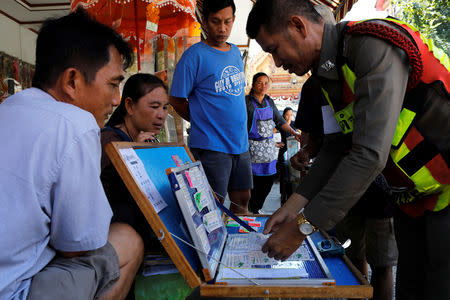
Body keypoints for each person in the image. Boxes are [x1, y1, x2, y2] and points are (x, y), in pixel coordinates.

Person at [246, 1, 449, 299]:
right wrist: (290, 210)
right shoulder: (330, 72)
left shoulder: (372, 45)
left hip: (445, 193)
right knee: (412, 288)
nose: (276, 63)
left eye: (275, 49)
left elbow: (368, 155)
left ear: (298, 26)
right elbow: (336, 147)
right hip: (412, 199)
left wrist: (302, 228)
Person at [0, 10, 144, 300]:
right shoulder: (76, 124)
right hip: (14, 290)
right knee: (129, 240)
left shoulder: (8, 108)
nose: (115, 100)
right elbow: (77, 243)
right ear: (72, 81)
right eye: (113, 84)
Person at [170, 0, 252, 214]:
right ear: (204, 22)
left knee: (242, 202)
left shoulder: (235, 52)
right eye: (215, 22)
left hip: (240, 144)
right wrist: (202, 121)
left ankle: (239, 245)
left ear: (234, 20)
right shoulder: (193, 56)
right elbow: (176, 99)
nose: (222, 28)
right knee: (211, 209)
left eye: (227, 21)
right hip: (211, 146)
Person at [101, 73, 169, 251]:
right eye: (154, 106)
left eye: (165, 107)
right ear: (129, 106)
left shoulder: (143, 140)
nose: (161, 115)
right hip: (115, 239)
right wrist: (134, 156)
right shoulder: (109, 141)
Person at [246, 72, 300, 214]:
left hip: (269, 148)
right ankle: (252, 208)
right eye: (259, 83)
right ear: (253, 85)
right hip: (252, 147)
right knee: (254, 181)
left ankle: (255, 207)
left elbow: (280, 121)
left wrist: (294, 133)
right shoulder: (246, 102)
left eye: (266, 83)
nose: (263, 86)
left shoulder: (269, 101)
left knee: (269, 180)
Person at [277, 106, 298, 204]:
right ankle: (283, 194)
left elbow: (301, 135)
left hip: (293, 151)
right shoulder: (281, 125)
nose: (289, 116)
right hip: (283, 152)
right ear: (283, 115)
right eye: (287, 114)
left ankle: (291, 193)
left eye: (291, 114)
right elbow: (269, 135)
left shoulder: (294, 124)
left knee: (292, 173)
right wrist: (276, 144)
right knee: (284, 175)